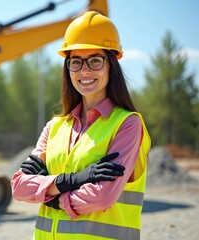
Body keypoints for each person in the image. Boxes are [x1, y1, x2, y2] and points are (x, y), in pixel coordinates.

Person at [11, 11, 151, 240]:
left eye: (95, 60)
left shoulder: (127, 124)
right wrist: (74, 180)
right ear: (68, 68)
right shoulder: (54, 128)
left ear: (111, 65)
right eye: (76, 62)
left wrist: (49, 195)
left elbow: (102, 196)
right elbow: (18, 186)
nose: (84, 70)